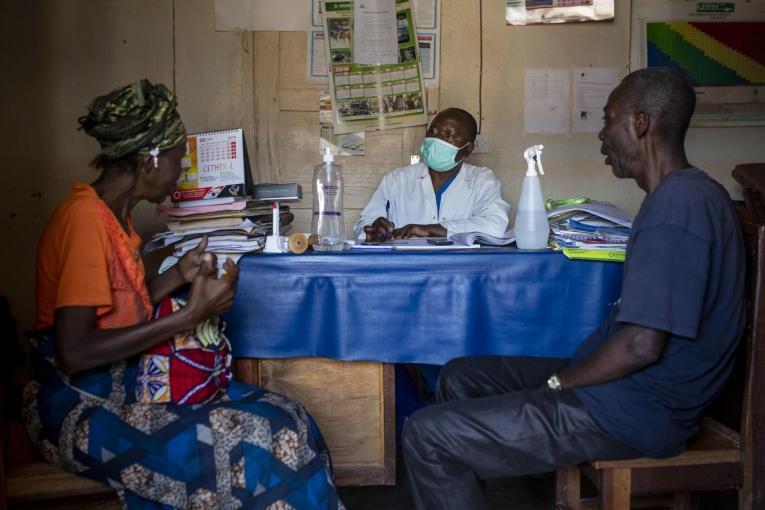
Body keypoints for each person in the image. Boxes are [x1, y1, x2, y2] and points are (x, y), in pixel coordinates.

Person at [402, 67, 745, 510]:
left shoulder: (678, 206)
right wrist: (564, 378)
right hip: (626, 390)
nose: (602, 135)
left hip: (634, 410)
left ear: (641, 123)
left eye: (609, 119)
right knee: (460, 375)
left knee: (427, 435)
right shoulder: (684, 196)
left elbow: (641, 344)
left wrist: (558, 383)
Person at [23, 80, 343, 510]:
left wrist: (177, 276)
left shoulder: (113, 216)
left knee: (291, 418)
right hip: (79, 405)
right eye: (177, 158)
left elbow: (119, 312)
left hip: (126, 382)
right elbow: (74, 353)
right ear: (149, 160)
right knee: (261, 445)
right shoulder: (85, 221)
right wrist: (187, 317)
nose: (180, 170)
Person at [354, 108, 510, 242]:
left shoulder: (482, 180)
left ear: (468, 149)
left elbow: (495, 225)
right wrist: (373, 231)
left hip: (460, 272)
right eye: (433, 132)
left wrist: (429, 230)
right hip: (406, 269)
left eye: (448, 135)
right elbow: (365, 224)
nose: (437, 140)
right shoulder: (397, 180)